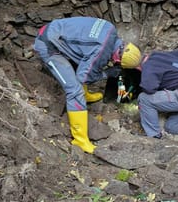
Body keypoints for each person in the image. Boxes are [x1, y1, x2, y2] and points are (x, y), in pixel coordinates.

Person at [33, 16, 142, 153]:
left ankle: (86, 96)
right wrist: (107, 73)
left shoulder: (111, 29)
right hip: (49, 45)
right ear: (118, 60)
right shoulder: (101, 52)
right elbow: (84, 77)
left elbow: (89, 58)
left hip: (56, 30)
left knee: (85, 61)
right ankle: (80, 140)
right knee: (75, 90)